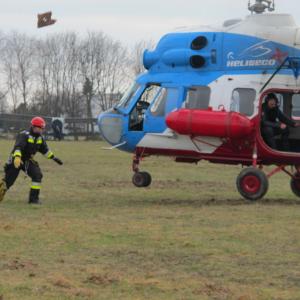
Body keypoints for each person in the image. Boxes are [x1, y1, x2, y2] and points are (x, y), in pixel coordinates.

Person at [0, 117, 63, 204]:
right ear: (34, 127)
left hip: (27, 160)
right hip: (16, 159)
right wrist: (17, 158)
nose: (42, 130)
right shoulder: (24, 135)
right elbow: (18, 147)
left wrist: (54, 158)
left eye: (42, 128)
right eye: (40, 128)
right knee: (9, 181)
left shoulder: (40, 138)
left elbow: (45, 150)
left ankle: (33, 200)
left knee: (37, 175)